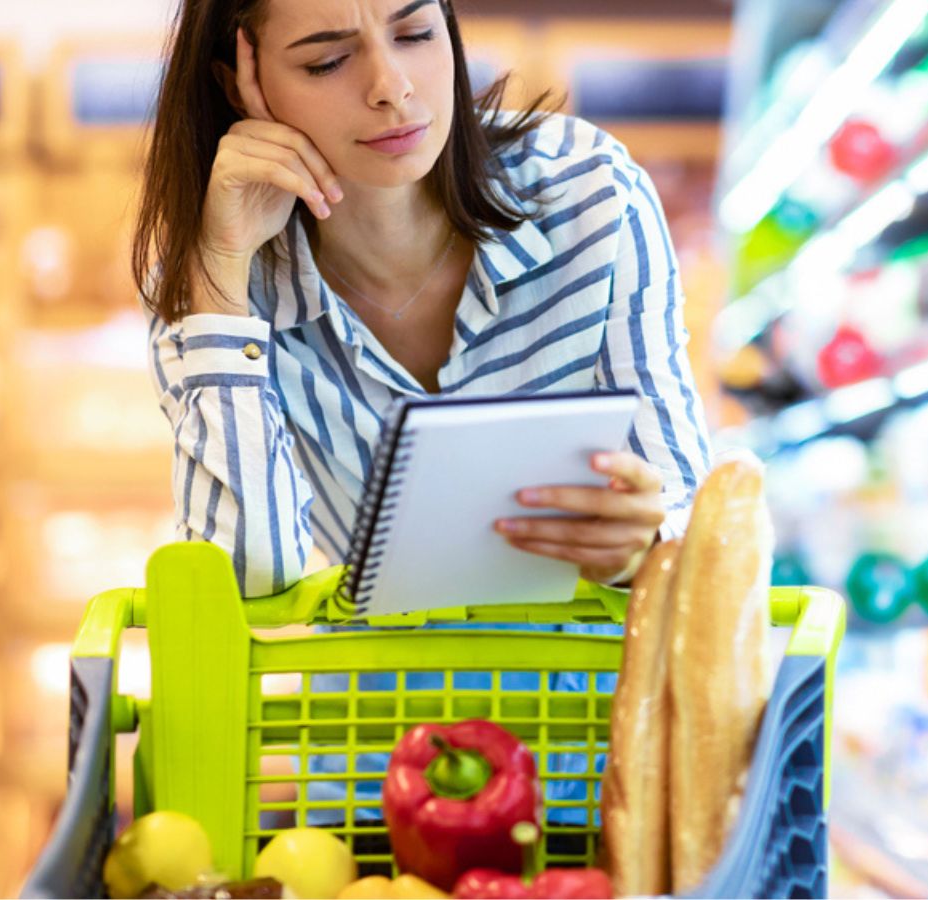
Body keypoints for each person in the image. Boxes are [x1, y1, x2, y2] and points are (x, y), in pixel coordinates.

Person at [131, 0, 717, 841]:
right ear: (242, 79)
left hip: (608, 773)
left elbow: (685, 510)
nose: (392, 88)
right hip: (378, 788)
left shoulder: (587, 192)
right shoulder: (213, 278)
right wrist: (221, 280)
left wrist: (643, 542)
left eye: (414, 33)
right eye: (327, 61)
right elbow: (246, 586)